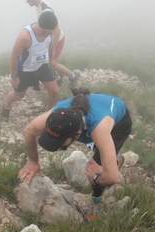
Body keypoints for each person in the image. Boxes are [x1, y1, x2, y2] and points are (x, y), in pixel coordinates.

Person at [18, 87, 132, 220]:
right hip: (99, 108)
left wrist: (96, 177)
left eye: (59, 141)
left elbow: (112, 178)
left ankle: (97, 199)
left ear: (77, 135)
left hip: (119, 122)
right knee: (101, 156)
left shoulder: (98, 129)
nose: (56, 144)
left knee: (94, 169)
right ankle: (113, 160)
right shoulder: (56, 117)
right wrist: (33, 161)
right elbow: (29, 131)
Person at [0, 9, 59, 120]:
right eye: (48, 32)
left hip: (41, 65)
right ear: (41, 26)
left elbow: (51, 44)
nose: (50, 34)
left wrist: (51, 59)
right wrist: (14, 76)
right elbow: (13, 56)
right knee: (19, 94)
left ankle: (48, 111)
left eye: (52, 32)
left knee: (54, 90)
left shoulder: (50, 33)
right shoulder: (25, 36)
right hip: (25, 69)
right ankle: (6, 106)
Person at [23, 0, 80, 87]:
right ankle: (58, 78)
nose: (27, 2)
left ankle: (73, 76)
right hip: (50, 38)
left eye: (29, 0)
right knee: (47, 61)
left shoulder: (46, 10)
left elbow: (56, 28)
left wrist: (52, 47)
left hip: (56, 39)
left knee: (52, 62)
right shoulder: (40, 3)